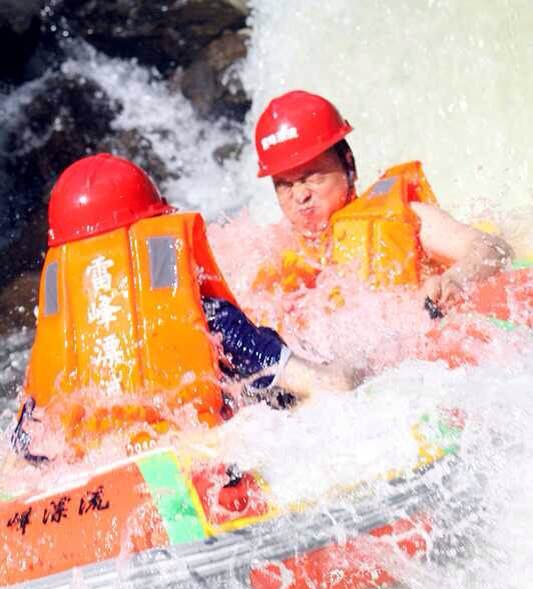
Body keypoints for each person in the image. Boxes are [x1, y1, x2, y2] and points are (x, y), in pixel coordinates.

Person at [13, 154, 351, 462]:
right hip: (206, 479)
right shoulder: (207, 318)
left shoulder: (53, 355)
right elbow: (331, 388)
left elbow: (21, 463)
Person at [253, 90, 512, 308]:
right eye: (284, 184)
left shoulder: (404, 216)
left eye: (312, 176)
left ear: (349, 165)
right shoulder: (276, 251)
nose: (300, 195)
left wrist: (455, 280)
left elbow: (492, 249)